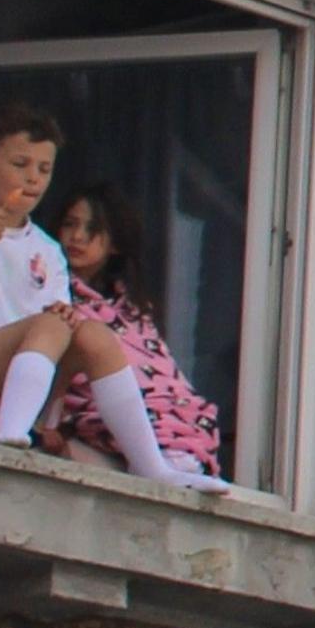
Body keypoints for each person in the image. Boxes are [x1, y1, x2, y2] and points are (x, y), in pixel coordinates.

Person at [0, 105, 226, 494]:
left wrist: (51, 420)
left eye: (44, 170)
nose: (32, 178)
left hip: (19, 380)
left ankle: (152, 466)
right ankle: (8, 437)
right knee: (51, 324)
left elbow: (57, 332)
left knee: (92, 333)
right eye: (20, 164)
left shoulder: (47, 249)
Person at [49, 183, 224, 479]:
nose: (77, 236)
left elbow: (162, 378)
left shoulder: (133, 312)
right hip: (90, 426)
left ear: (115, 242)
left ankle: (177, 460)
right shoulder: (50, 294)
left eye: (94, 228)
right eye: (70, 224)